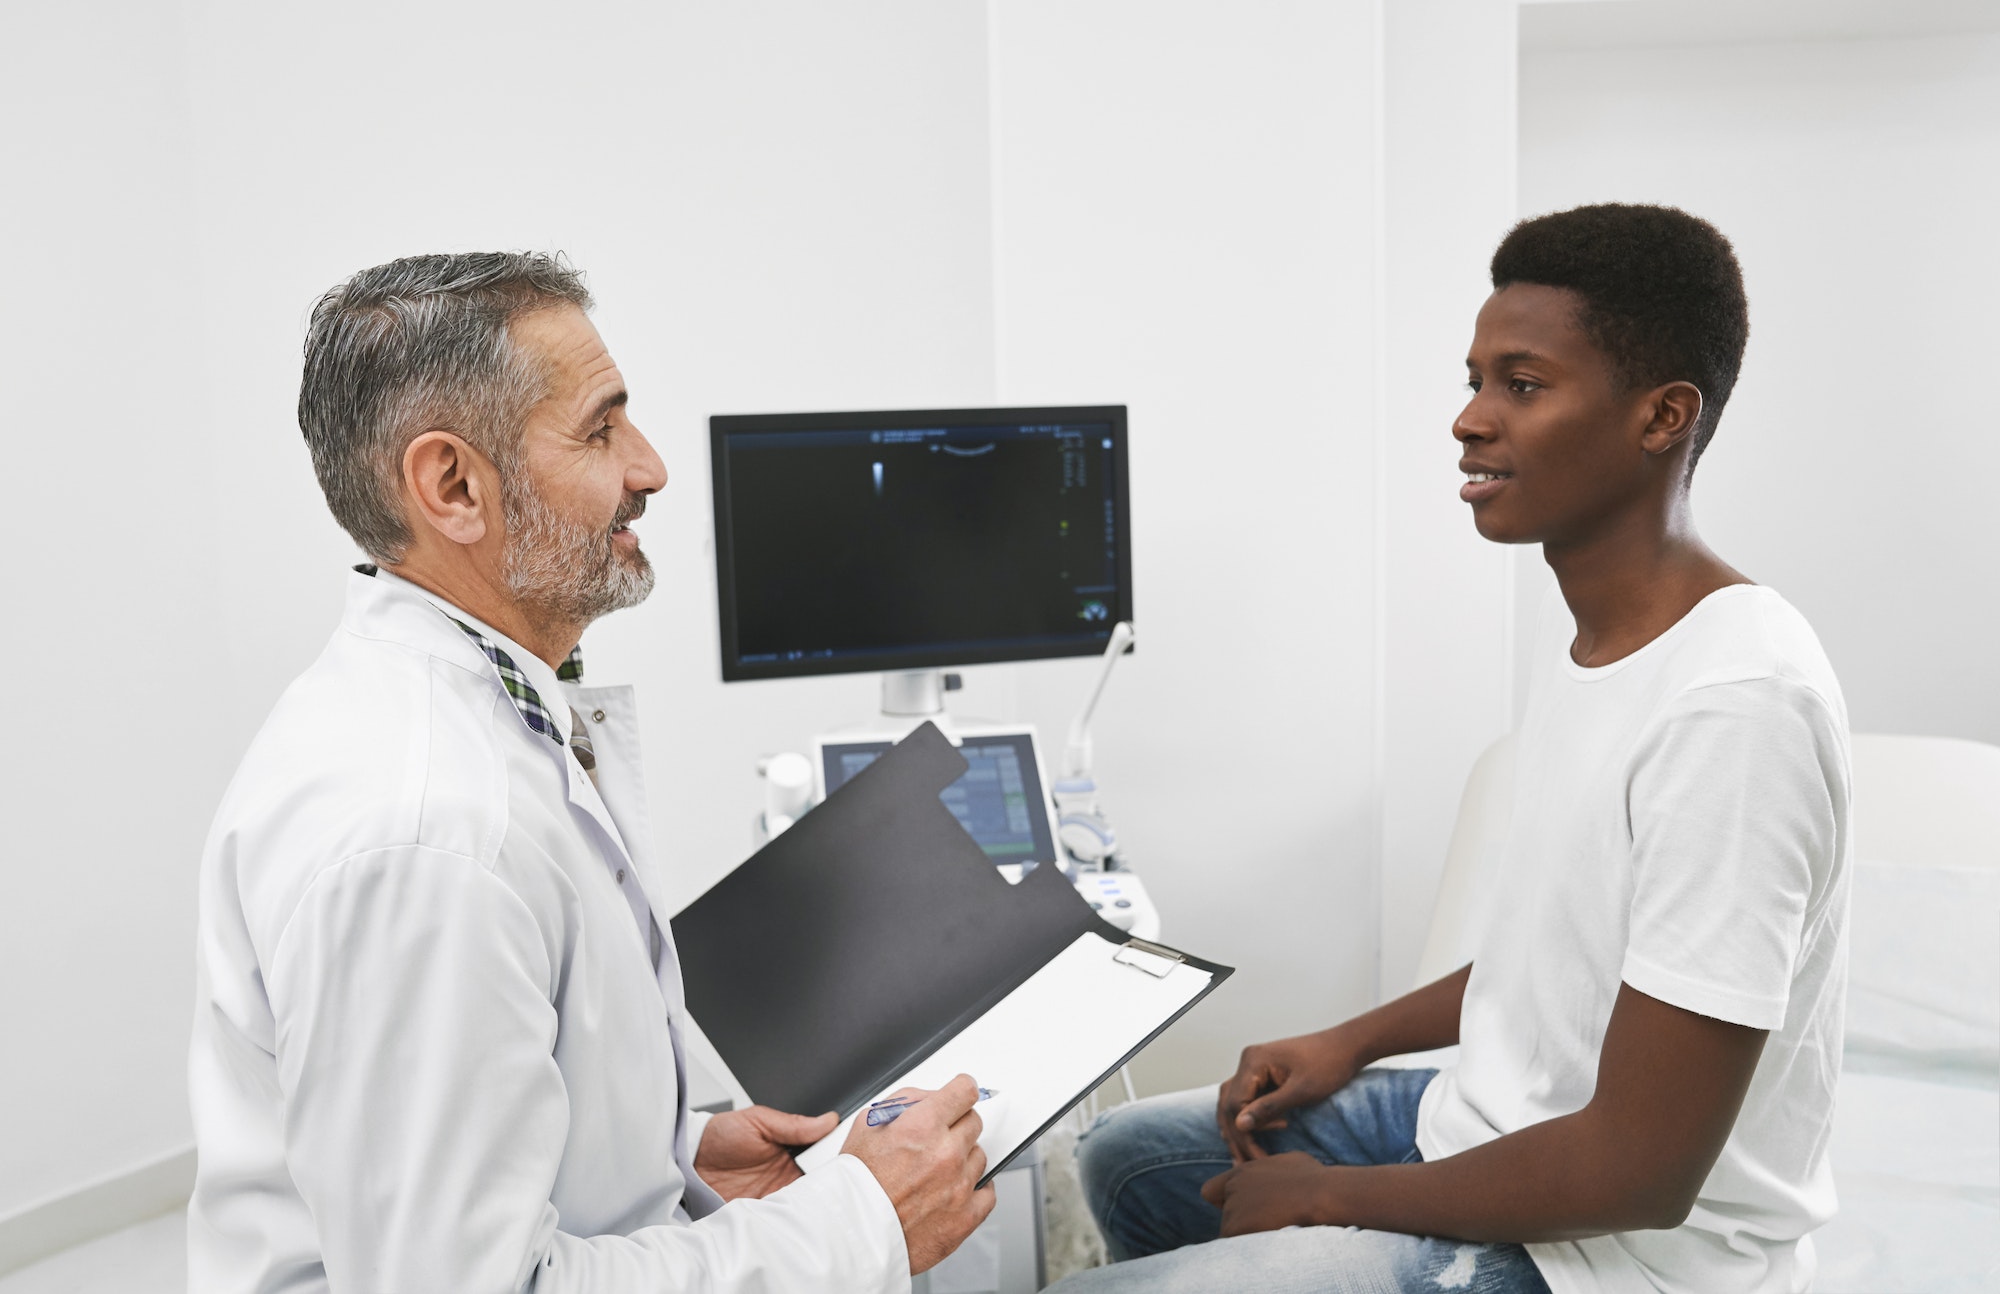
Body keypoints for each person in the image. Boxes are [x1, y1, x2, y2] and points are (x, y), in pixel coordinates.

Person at [1058, 203, 1850, 1294]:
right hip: (1484, 1113)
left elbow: (1641, 1170)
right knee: (1124, 1157)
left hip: (1616, 1255)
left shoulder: (1735, 708)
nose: (1466, 419)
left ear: (1660, 415)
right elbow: (1565, 950)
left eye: (1519, 385)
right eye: (1473, 378)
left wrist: (1327, 1196)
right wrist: (1350, 1036)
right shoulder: (1596, 638)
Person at [187, 252, 993, 1292]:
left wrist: (662, 1154)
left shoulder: (479, 720)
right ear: (453, 485)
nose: (651, 467)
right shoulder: (430, 835)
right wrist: (860, 1222)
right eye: (601, 428)